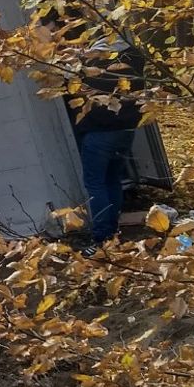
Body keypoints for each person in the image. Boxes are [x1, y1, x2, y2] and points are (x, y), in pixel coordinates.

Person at [68, 36, 146, 255]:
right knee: (112, 180)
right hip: (126, 130)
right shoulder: (135, 55)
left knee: (95, 184)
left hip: (100, 132)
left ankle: (103, 238)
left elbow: (70, 79)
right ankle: (112, 233)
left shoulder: (94, 59)